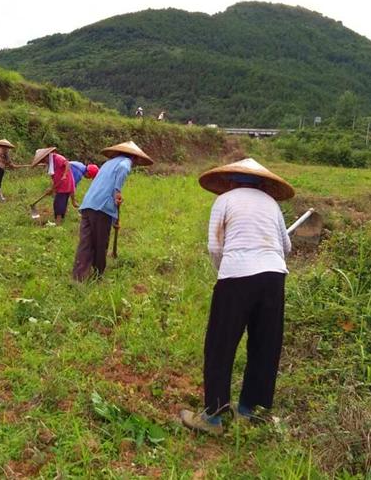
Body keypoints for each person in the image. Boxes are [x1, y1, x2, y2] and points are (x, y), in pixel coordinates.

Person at [180, 158, 295, 435]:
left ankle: (214, 416)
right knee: (265, 344)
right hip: (274, 277)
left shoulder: (224, 200)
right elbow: (286, 246)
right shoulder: (272, 204)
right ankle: (251, 411)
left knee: (221, 344)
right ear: (263, 183)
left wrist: (227, 272)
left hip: (236, 278)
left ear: (230, 180)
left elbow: (215, 247)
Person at [72, 141, 153, 281]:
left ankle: (79, 276)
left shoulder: (108, 163)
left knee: (85, 242)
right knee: (100, 242)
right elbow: (122, 169)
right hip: (102, 207)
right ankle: (98, 275)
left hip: (88, 203)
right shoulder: (125, 162)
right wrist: (117, 191)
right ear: (134, 157)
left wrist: (114, 218)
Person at [31, 147, 75, 225]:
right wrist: (52, 188)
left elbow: (67, 164)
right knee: (62, 202)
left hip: (64, 183)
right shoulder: (51, 163)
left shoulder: (57, 158)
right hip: (59, 184)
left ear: (46, 156)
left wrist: (64, 175)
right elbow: (55, 177)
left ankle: (58, 222)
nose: (44, 162)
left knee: (58, 202)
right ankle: (60, 220)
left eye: (43, 160)